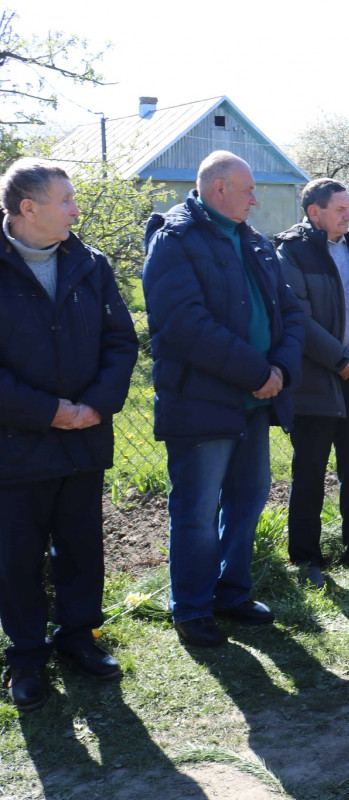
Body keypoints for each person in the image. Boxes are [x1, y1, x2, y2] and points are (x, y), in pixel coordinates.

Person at [143, 151, 305, 648]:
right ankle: (192, 607)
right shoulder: (175, 239)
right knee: (195, 508)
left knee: (248, 498)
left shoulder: (253, 242)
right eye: (249, 189)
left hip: (256, 401)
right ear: (218, 189)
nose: (257, 198)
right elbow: (184, 324)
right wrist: (257, 371)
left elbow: (291, 310)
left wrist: (279, 368)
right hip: (202, 401)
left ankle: (231, 593)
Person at [0, 159, 138, 712]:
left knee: (82, 548)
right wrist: (47, 411)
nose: (77, 210)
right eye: (66, 200)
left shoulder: (89, 263)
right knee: (16, 556)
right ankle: (27, 658)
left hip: (83, 437)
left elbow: (121, 342)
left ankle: (80, 638)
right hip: (15, 444)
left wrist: (93, 407)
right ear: (27, 208)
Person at [275, 179, 349, 589]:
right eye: (340, 208)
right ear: (315, 212)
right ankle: (305, 556)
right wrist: (340, 358)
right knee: (308, 472)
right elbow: (297, 317)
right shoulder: (292, 252)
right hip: (313, 383)